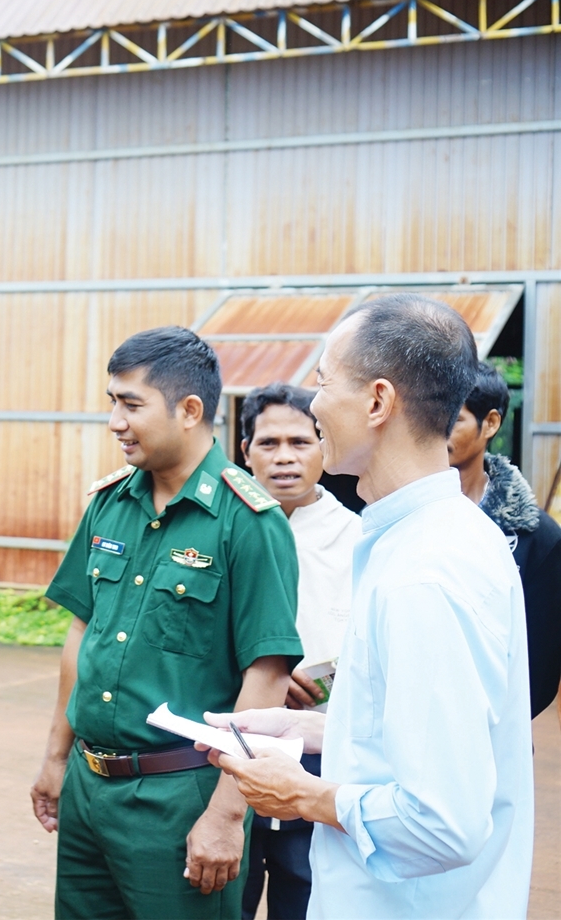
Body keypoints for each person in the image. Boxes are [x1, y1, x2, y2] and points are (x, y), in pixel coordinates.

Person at [205, 294, 533, 919]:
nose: (315, 403)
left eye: (323, 382)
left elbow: (442, 822)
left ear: (378, 402)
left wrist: (304, 796)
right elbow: (424, 733)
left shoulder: (424, 573)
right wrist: (303, 729)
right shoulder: (426, 537)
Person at [29, 326, 302, 920]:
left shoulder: (248, 520)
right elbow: (83, 632)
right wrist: (57, 759)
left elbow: (268, 670)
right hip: (90, 786)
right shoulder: (109, 504)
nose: (114, 422)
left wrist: (229, 814)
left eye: (130, 405)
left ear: (189, 410)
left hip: (182, 797)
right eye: (111, 402)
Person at [237, 383, 360, 920]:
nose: (284, 457)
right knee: (226, 891)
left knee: (305, 893)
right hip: (230, 743)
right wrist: (264, 680)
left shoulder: (360, 539)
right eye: (268, 443)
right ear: (245, 451)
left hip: (321, 753)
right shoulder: (223, 530)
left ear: (323, 446)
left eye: (299, 441)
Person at [448, 362, 560, 717]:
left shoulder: (536, 536)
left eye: (454, 419)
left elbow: (539, 671)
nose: (436, 432)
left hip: (496, 738)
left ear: (491, 423)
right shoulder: (388, 519)